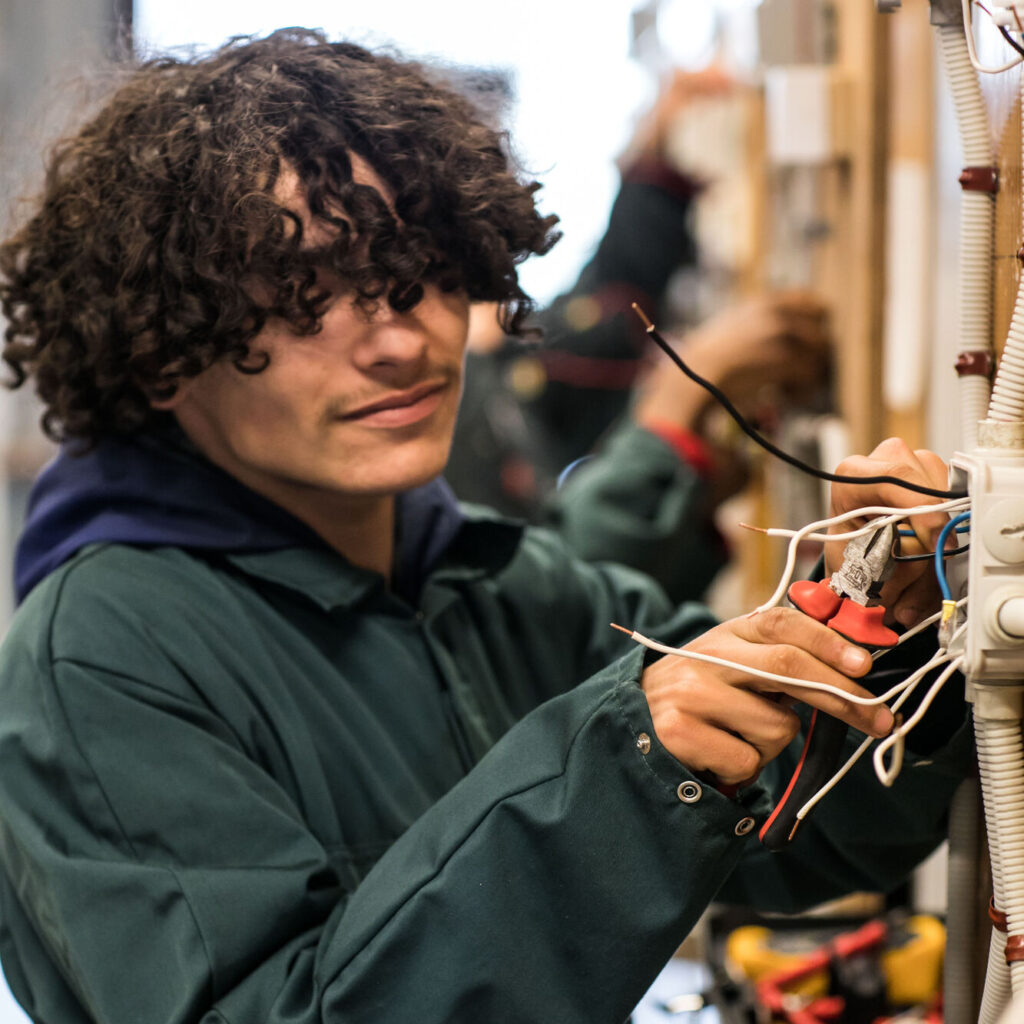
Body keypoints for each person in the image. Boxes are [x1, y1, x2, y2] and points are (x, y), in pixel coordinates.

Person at [0, 29, 970, 1024]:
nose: (400, 339)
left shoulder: (495, 584)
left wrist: (888, 629)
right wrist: (622, 774)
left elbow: (806, 819)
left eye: (418, 271)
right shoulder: (102, 662)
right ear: (161, 348)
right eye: (307, 296)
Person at [447, 69, 832, 601]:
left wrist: (651, 169)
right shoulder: (445, 415)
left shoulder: (484, 358)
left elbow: (604, 317)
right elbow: (558, 604)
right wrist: (681, 399)